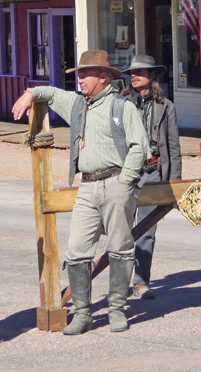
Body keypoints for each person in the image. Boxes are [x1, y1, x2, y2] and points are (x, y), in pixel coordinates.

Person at [12, 50, 149, 333]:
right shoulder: (77, 104)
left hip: (116, 183)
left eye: (84, 74)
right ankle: (84, 314)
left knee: (120, 248)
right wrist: (29, 94)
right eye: (79, 75)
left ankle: (117, 311)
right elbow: (49, 93)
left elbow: (140, 146)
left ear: (102, 77)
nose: (80, 80)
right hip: (86, 186)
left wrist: (125, 181)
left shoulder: (122, 107)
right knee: (76, 251)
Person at [121, 55, 182, 299]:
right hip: (126, 172)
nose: (134, 76)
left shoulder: (166, 106)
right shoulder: (120, 103)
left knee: (146, 230)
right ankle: (120, 284)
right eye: (132, 73)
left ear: (152, 76)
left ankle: (141, 282)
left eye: (140, 72)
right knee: (122, 229)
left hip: (154, 172)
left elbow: (174, 147)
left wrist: (175, 183)